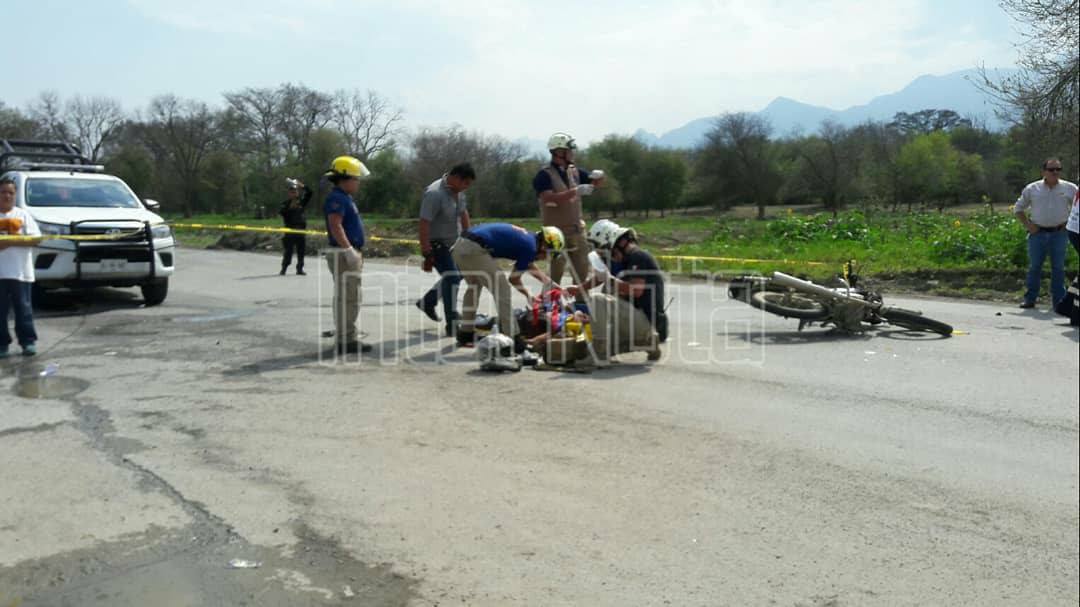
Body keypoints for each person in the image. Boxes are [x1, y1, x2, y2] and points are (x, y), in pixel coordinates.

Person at [450, 223, 563, 348]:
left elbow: (529, 265)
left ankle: (466, 333)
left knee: (474, 287)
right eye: (548, 254)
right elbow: (514, 279)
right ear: (545, 245)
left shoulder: (529, 239)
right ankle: (513, 338)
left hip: (460, 246)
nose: (544, 258)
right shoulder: (530, 247)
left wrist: (550, 283)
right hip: (474, 249)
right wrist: (528, 295)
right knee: (502, 289)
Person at [533, 132, 605, 289]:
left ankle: (579, 306)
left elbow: (594, 182)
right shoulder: (544, 175)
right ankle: (549, 308)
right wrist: (575, 191)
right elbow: (549, 198)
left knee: (582, 272)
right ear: (559, 152)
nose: (572, 153)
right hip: (554, 233)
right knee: (555, 274)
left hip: (577, 230)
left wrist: (598, 177)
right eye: (569, 150)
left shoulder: (574, 171)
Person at [415, 163, 475, 337]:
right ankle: (452, 323)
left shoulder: (459, 193)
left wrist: (469, 238)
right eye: (465, 184)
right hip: (436, 244)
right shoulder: (434, 194)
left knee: (459, 273)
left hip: (454, 243)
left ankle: (428, 301)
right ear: (455, 178)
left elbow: (463, 214)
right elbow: (424, 223)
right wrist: (426, 251)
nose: (466, 188)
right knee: (452, 277)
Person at [323, 156, 372, 354]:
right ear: (345, 179)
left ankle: (347, 335)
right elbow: (335, 225)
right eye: (356, 178)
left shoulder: (343, 197)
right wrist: (348, 249)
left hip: (346, 253)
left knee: (348, 297)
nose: (358, 182)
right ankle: (346, 340)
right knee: (349, 298)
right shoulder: (337, 198)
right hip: (344, 254)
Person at [1014, 158, 1078, 308]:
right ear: (1043, 172)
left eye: (1058, 169)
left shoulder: (1070, 188)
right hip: (1037, 233)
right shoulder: (1032, 188)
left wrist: (1069, 222)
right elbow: (1018, 208)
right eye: (1051, 169)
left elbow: (1078, 207)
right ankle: (1030, 299)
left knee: (1058, 268)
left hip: (1059, 233)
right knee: (1035, 267)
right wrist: (1028, 225)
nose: (1055, 172)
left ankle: (1059, 302)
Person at [0, 177, 43, 358]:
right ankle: (2, 345)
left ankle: (28, 342)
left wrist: (10, 241)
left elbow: (36, 239)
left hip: (21, 273)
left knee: (23, 310)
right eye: (3, 192)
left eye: (10, 192)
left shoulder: (23, 216)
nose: (7, 196)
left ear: (15, 195)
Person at [279, 178, 312, 275]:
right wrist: (289, 208)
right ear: (289, 193)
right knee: (288, 251)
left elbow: (310, 193)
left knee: (301, 251)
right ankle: (284, 268)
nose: (294, 193)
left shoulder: (301, 202)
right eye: (292, 192)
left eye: (295, 191)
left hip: (301, 230)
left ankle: (300, 269)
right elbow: (282, 213)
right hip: (290, 230)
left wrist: (302, 185)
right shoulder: (285, 204)